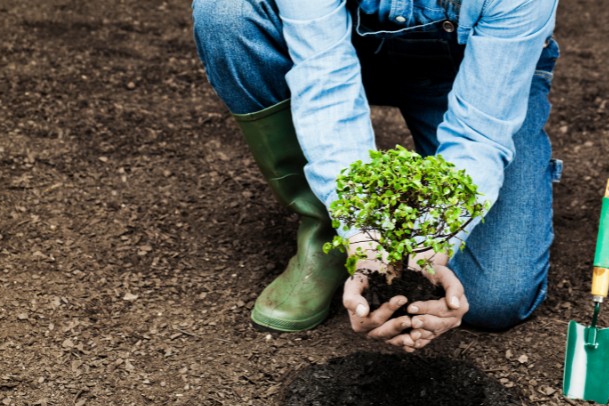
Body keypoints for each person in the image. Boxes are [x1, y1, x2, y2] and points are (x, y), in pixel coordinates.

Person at [192, 0, 562, 351]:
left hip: (472, 67)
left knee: (494, 297)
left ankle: (422, 214)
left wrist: (430, 249)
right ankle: (326, 230)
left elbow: (478, 134)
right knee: (226, 12)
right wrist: (363, 236)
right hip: (345, 47)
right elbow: (326, 85)